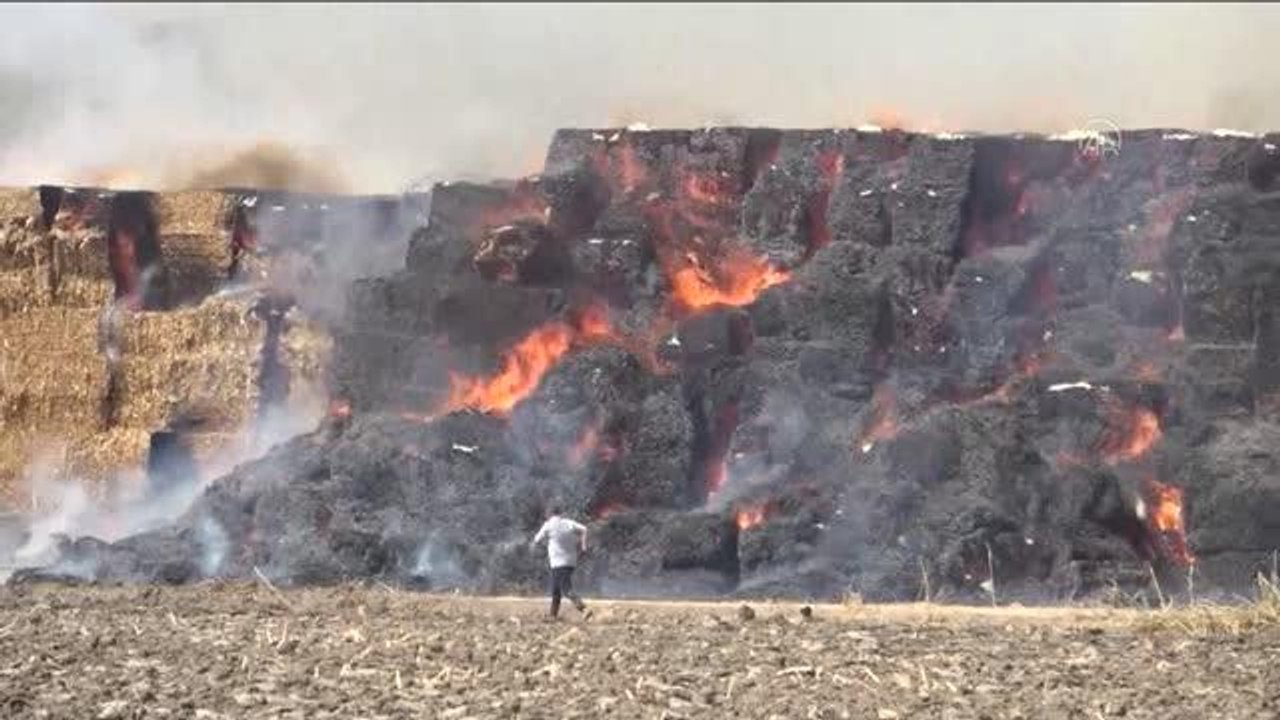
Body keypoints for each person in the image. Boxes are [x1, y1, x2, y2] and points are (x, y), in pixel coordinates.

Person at [530, 506, 590, 619]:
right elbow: (584, 529)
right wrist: (583, 546)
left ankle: (583, 608)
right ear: (561, 513)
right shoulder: (568, 523)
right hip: (571, 561)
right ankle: (553, 615)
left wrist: (534, 549)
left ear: (549, 513)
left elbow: (537, 539)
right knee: (556, 589)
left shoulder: (548, 525)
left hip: (557, 562)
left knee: (566, 588)